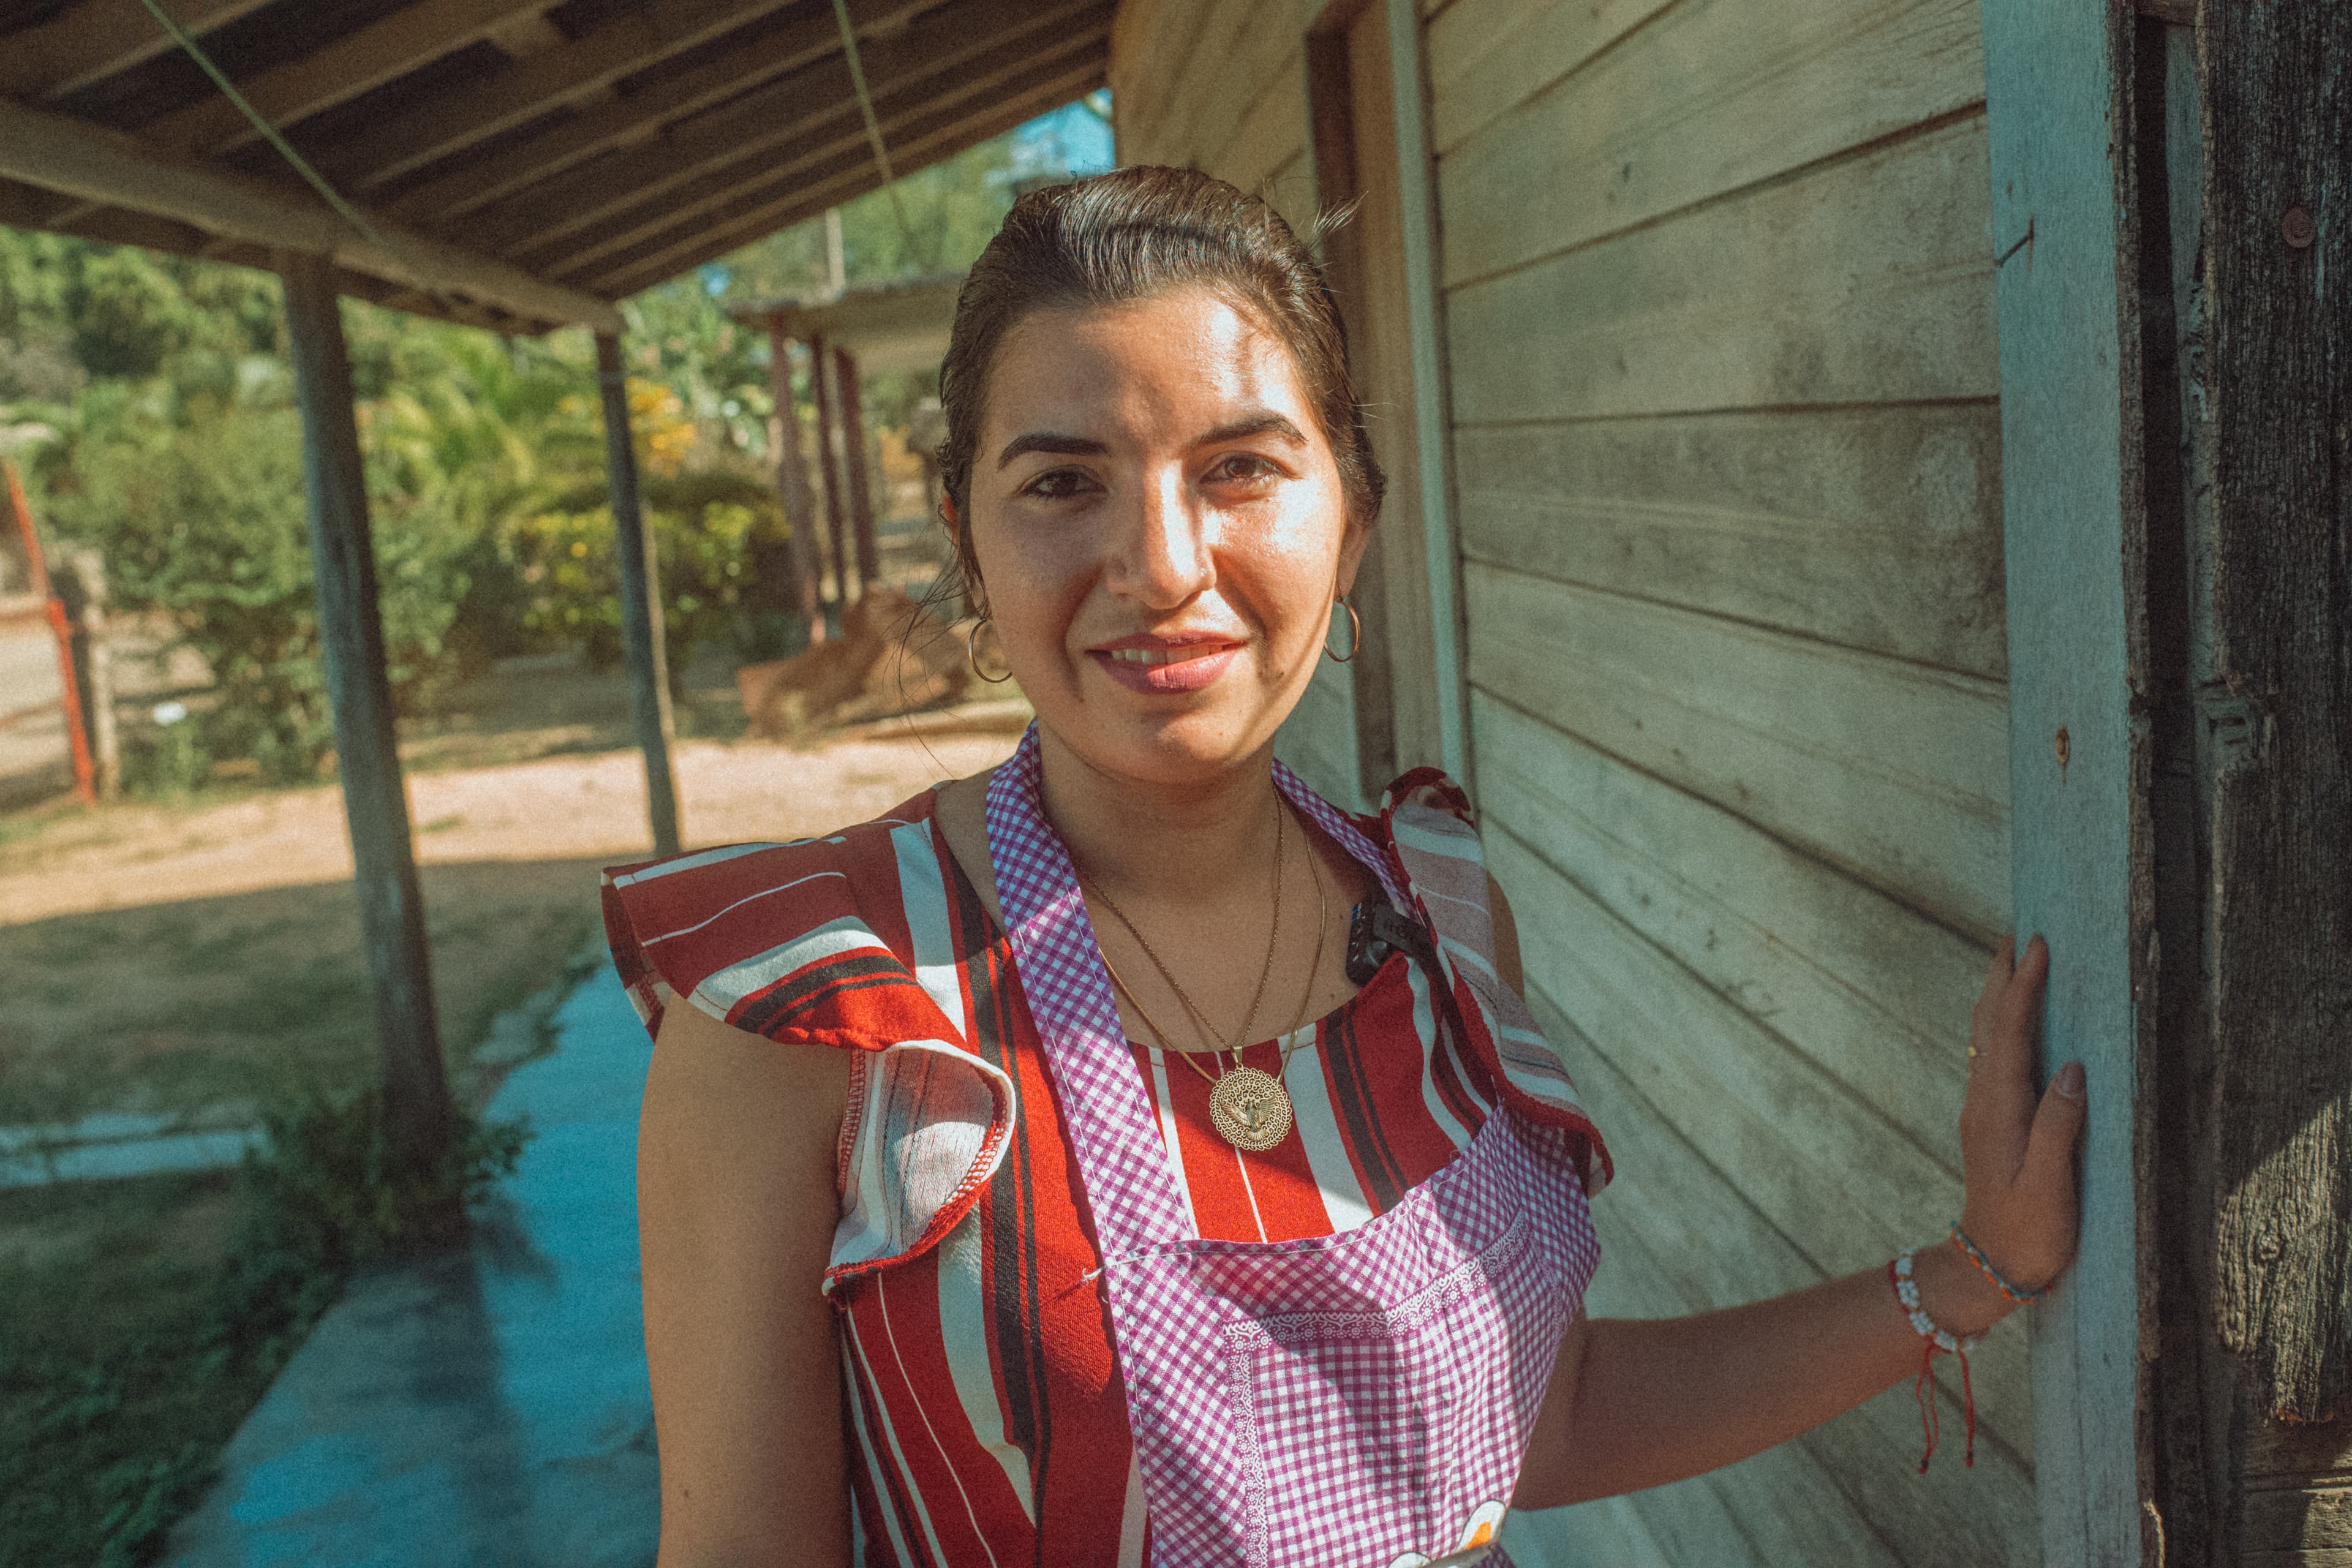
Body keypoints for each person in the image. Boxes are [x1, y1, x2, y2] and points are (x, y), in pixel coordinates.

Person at [609, 167, 2086, 1568]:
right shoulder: (815, 1018)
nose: (1164, 562)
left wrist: (1969, 1266)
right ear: (968, 542)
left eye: (1241, 466)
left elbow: (1539, 1418)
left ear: (1353, 517)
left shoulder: (1438, 921)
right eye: (1064, 483)